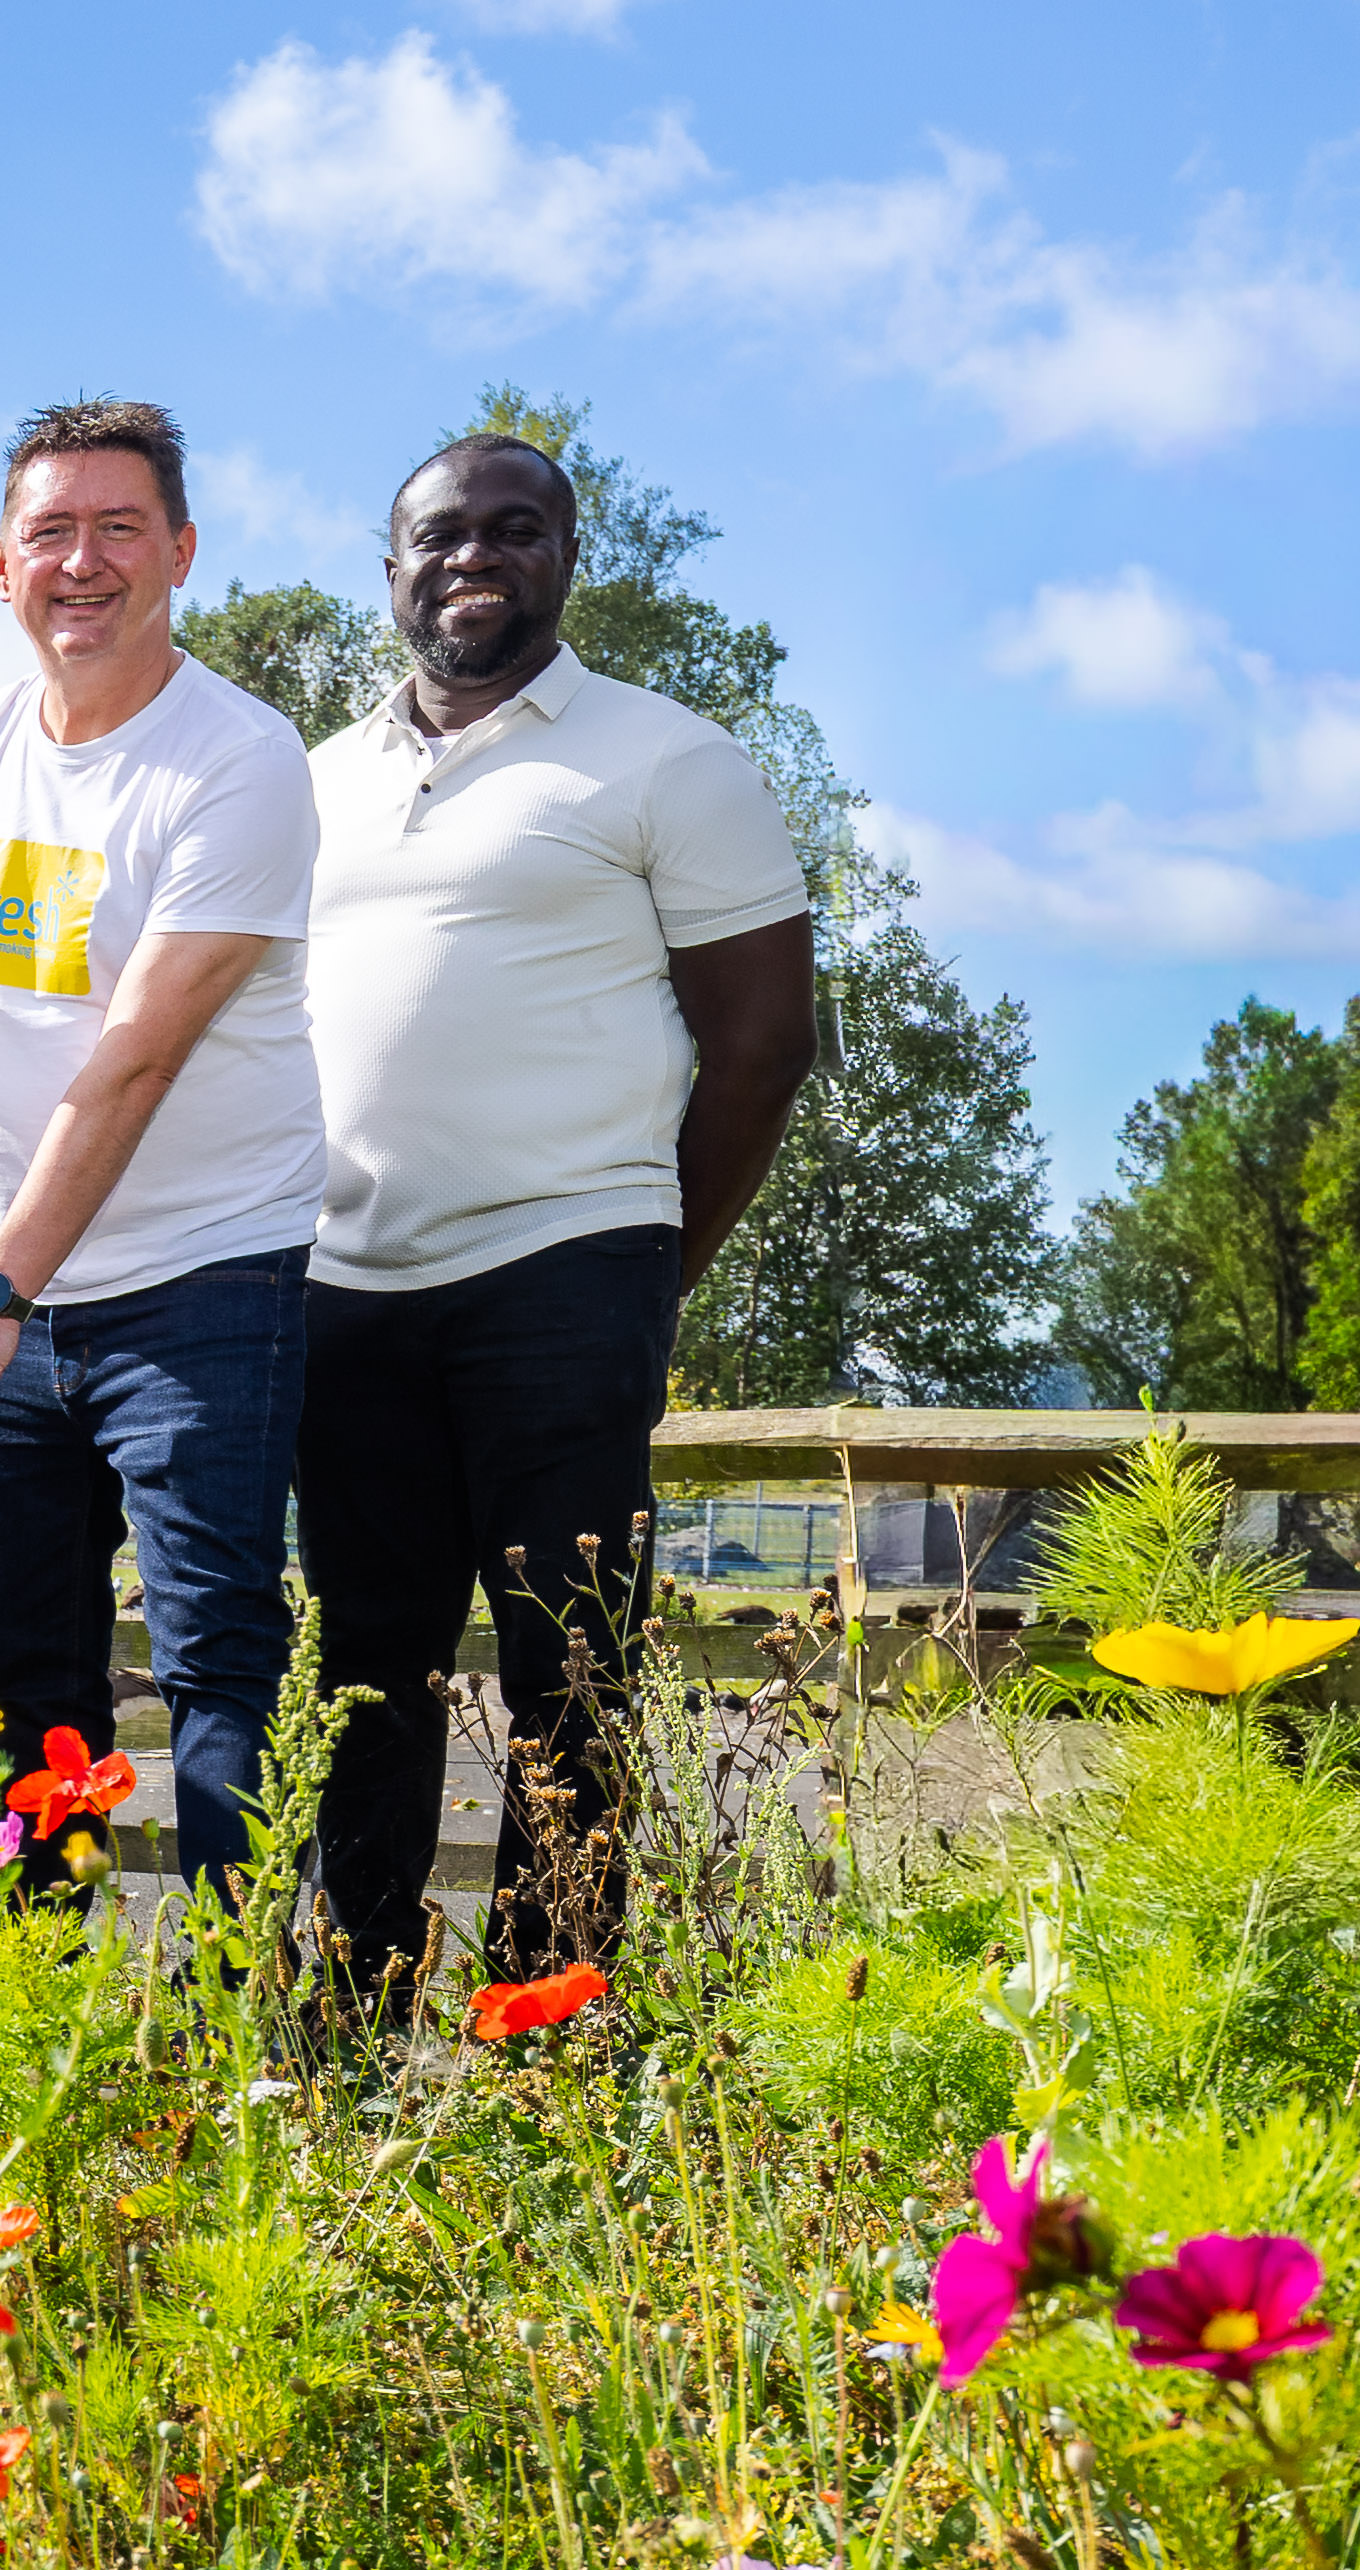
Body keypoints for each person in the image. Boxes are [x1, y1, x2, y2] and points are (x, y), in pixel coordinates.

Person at [297, 431, 817, 2015]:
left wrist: (650, 1265)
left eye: (513, 533)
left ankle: (553, 2062)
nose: (474, 561)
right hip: (345, 1290)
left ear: (566, 558)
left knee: (569, 1687)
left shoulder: (671, 761)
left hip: (564, 1273)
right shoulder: (310, 781)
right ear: (389, 571)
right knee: (366, 1685)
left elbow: (764, 1042)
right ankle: (340, 2042)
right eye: (440, 539)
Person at [0, 398, 324, 1910]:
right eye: (51, 532)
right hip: (21, 1306)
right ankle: (44, 2023)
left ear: (180, 550)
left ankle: (257, 2037)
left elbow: (133, 1062)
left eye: (121, 528)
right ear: (2, 564)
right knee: (24, 1681)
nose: (84, 562)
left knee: (216, 1667)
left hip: (204, 1281)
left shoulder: (239, 762)